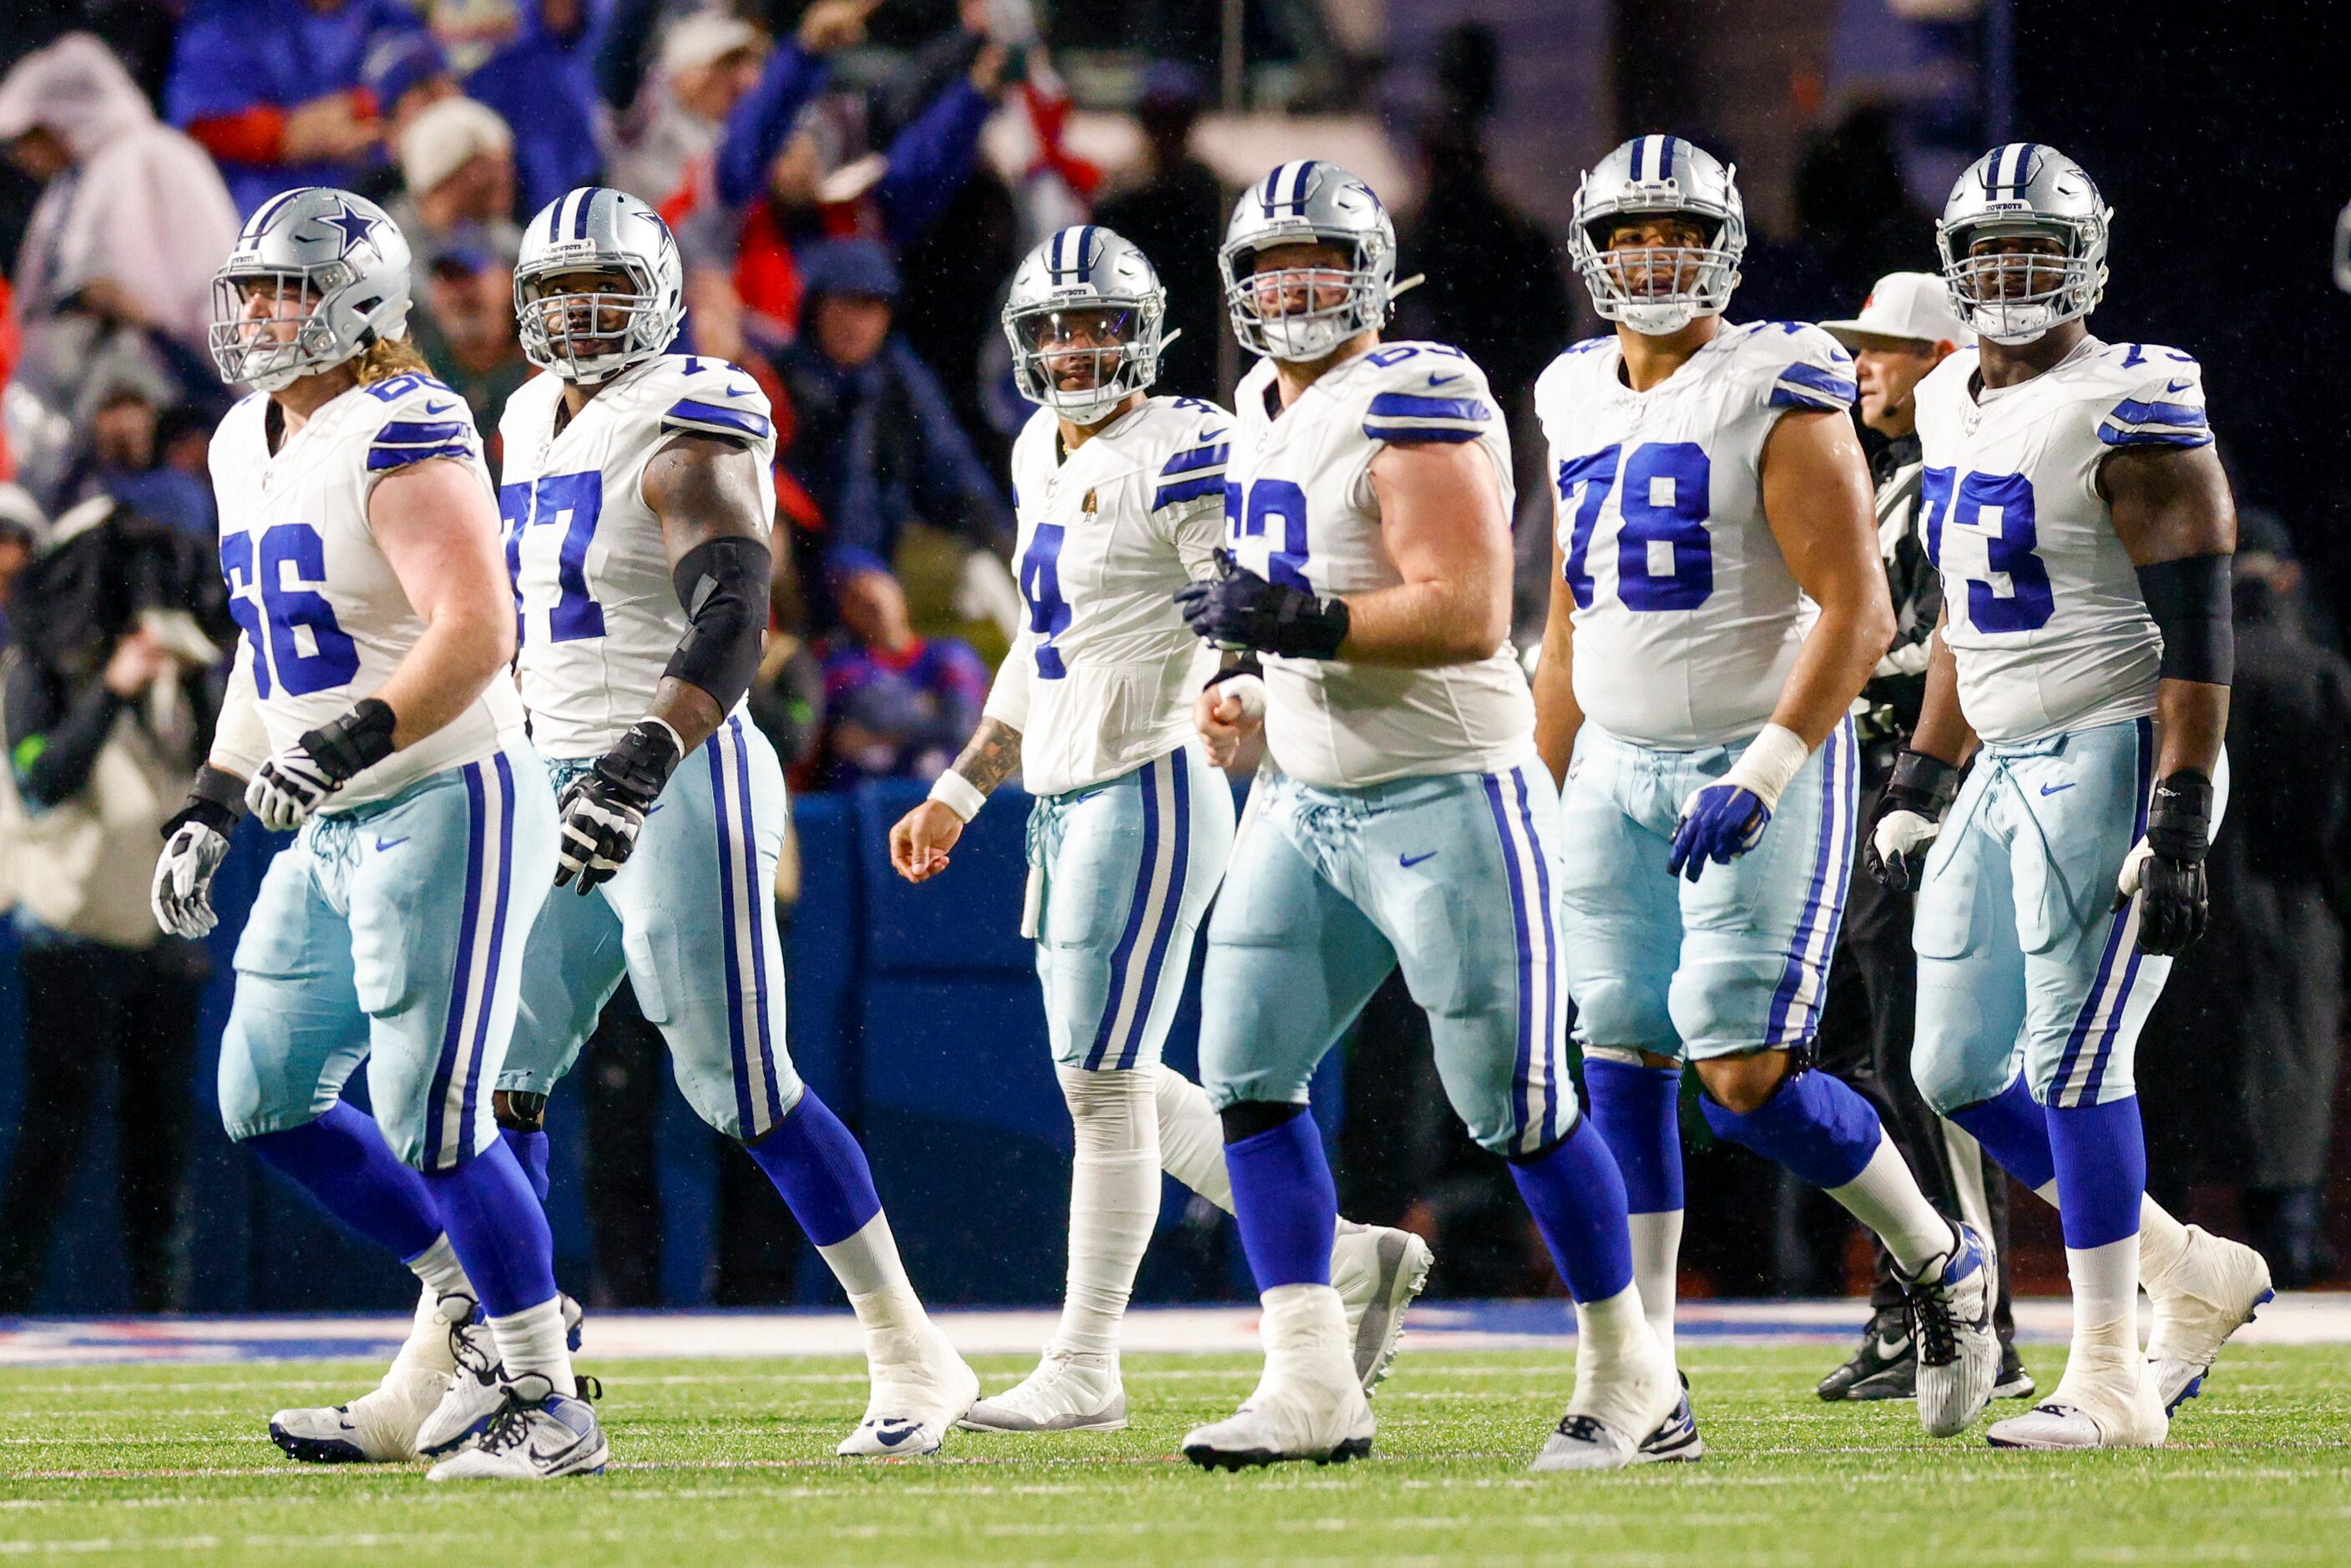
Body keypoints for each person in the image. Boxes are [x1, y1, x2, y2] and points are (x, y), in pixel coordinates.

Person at [886, 225, 1432, 1433]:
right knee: (1104, 1073)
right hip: (1066, 795)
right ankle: (1345, 1257)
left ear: (1146, 336)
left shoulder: (1188, 444)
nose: (1078, 349)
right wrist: (964, 786)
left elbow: (1239, 594)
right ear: (1023, 346)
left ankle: (1087, 1363)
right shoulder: (1040, 446)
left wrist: (1244, 683)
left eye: (1099, 326)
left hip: (1152, 780)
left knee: (1103, 1080)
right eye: (1057, 329)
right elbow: (1045, 647)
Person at [1173, 161, 1675, 1473]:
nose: (1293, 287)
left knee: (1513, 1103)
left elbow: (1460, 606)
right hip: (1310, 794)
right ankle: (1309, 1378)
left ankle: (1637, 1375)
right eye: (1272, 263)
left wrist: (1297, 625)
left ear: (1374, 273)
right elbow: (1294, 618)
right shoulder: (1257, 406)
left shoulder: (1419, 387)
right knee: (1244, 1071)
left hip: (1447, 791)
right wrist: (1255, 690)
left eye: (1321, 262)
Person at [485, 187, 977, 1457]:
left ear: (656, 297)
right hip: (554, 772)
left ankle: (913, 1353)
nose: (582, 318)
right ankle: (513, 1374)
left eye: (608, 290)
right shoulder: (525, 413)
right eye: (559, 294)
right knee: (490, 1082)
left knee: (738, 1083)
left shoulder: (690, 412)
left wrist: (642, 758)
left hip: (680, 765)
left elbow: (734, 611)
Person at [1532, 136, 1998, 1446]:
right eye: (1630, 234)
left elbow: (1854, 609)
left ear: (1724, 245)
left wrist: (1770, 765)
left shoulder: (1778, 376)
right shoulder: (1571, 389)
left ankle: (1941, 1260)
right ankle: (1638, 1379)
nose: (1653, 258)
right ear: (1594, 249)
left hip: (1754, 754)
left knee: (1741, 1077)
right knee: (1615, 1054)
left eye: (1677, 232)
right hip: (1614, 763)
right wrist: (1539, 771)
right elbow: (1570, 611)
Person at [148, 188, 595, 1480]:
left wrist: (347, 741)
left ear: (356, 303)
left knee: (435, 1110)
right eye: (251, 291)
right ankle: (484, 1301)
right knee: (265, 1094)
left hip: (443, 797)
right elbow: (274, 650)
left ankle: (551, 1405)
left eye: (285, 290)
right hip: (329, 817)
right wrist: (212, 798)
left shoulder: (407, 423)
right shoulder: (248, 436)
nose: (257, 315)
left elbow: (475, 629)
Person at [1876, 144, 2272, 1449]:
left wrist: (2177, 811)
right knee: (1951, 1066)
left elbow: (2199, 632)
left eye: (2034, 255)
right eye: (1990, 255)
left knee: (2078, 1058)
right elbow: (1962, 624)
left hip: (2119, 750)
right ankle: (2185, 1269)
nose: (2010, 279)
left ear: (2086, 261)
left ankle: (2107, 1374)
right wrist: (1927, 770)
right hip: (2004, 760)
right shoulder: (1948, 406)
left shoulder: (2136, 396)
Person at [1809, 272, 2030, 1404]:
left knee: (1921, 1058)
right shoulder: (1881, 474)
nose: (1865, 367)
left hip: (1928, 777)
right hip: (1861, 778)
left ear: (1944, 354)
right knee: (1845, 1052)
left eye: (1887, 350)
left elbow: (1953, 640)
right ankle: (1915, 1294)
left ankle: (1973, 1308)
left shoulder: (1958, 470)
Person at [0, 501, 217, 1314]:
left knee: (160, 1138)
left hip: (160, 933)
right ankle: (11, 1300)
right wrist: (112, 692)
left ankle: (162, 1307)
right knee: (53, 1133)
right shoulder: (37, 666)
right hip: (71, 932)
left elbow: (202, 766)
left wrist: (188, 675)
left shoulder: (177, 670)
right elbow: (43, 778)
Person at [774, 240, 1014, 628]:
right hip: (799, 577)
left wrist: (1002, 541)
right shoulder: (779, 381)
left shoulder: (900, 383)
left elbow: (952, 468)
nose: (856, 322)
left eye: (870, 307)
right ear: (817, 307)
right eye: (845, 304)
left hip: (886, 569)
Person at [0, 33, 242, 354]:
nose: (21, 157)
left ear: (64, 117)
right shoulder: (69, 187)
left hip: (179, 369)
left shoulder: (155, 155)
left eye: (28, 137)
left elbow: (206, 287)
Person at [166, 0, 417, 213]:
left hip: (398, 197)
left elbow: (428, 75)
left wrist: (376, 107)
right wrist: (283, 134)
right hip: (276, 214)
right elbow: (201, 126)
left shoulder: (379, 11)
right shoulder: (224, 22)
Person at [1088, 64, 1225, 402]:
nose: (1167, 133)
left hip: (1198, 359)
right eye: (1156, 120)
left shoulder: (1211, 196)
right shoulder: (1117, 199)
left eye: (1177, 120)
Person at [813, 562, 988, 787]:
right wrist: (926, 713)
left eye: (877, 587)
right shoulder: (844, 669)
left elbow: (961, 727)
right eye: (856, 596)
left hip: (947, 794)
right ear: (846, 613)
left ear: (899, 594)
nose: (871, 600)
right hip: (871, 799)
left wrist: (880, 738)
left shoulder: (951, 655)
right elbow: (835, 738)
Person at [386, 96, 522, 272]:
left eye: (505, 165)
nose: (505, 177)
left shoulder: (505, 244)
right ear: (445, 176)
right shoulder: (383, 248)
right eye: (488, 167)